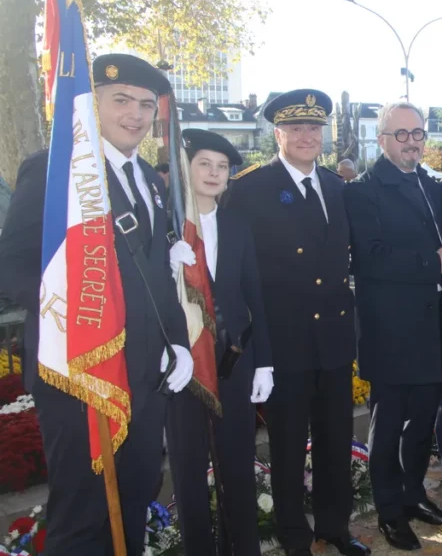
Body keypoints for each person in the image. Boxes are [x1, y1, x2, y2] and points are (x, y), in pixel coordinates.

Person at [0, 54, 195, 555]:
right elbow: (14, 263)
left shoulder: (153, 183)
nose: (134, 114)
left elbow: (158, 277)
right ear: (94, 105)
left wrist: (177, 342)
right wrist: (65, 312)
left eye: (146, 105)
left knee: (134, 497)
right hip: (80, 375)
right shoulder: (56, 170)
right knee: (83, 511)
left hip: (145, 379)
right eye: (121, 100)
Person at [226, 90, 369, 556]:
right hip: (284, 341)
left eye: (314, 128)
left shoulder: (337, 187)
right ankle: (294, 536)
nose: (307, 136)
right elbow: (238, 271)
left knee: (335, 441)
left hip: (332, 337)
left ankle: (334, 526)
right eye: (296, 128)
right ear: (278, 133)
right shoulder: (248, 189)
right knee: (287, 447)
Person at [345, 103, 442, 551]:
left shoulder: (429, 185)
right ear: (382, 139)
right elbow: (369, 260)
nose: (412, 141)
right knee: (389, 425)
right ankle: (390, 513)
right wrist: (434, 264)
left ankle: (414, 497)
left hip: (431, 325)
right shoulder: (363, 190)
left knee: (422, 424)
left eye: (418, 133)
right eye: (401, 134)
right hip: (390, 328)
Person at [165, 129, 273, 556]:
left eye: (222, 167)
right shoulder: (165, 225)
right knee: (189, 472)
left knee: (237, 467)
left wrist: (263, 360)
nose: (213, 173)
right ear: (186, 169)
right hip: (182, 365)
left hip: (234, 361)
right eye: (204, 164)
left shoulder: (237, 225)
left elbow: (253, 294)